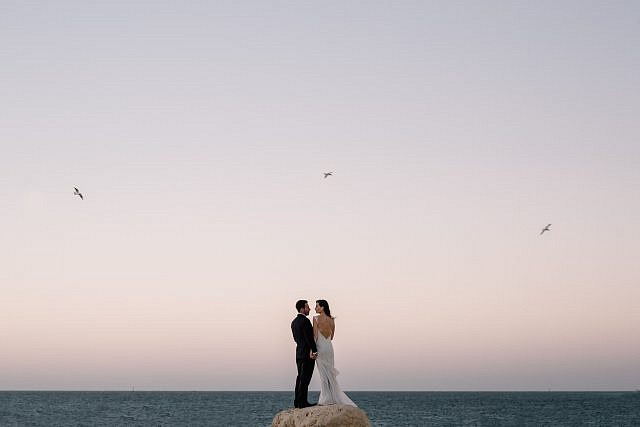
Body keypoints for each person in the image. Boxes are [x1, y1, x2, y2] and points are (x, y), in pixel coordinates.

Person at [313, 299, 357, 407]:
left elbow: (315, 336)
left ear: (322, 307)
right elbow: (332, 337)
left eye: (317, 306)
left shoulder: (315, 318)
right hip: (329, 347)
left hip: (320, 347)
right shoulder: (332, 320)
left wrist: (312, 350)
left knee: (323, 374)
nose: (315, 308)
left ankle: (325, 399)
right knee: (331, 373)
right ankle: (333, 397)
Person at [291, 299, 318, 408]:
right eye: (307, 307)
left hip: (299, 353)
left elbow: (295, 339)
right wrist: (314, 350)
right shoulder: (305, 321)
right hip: (307, 354)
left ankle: (297, 401)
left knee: (299, 378)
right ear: (302, 308)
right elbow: (309, 338)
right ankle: (303, 402)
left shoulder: (293, 322)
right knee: (305, 379)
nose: (309, 309)